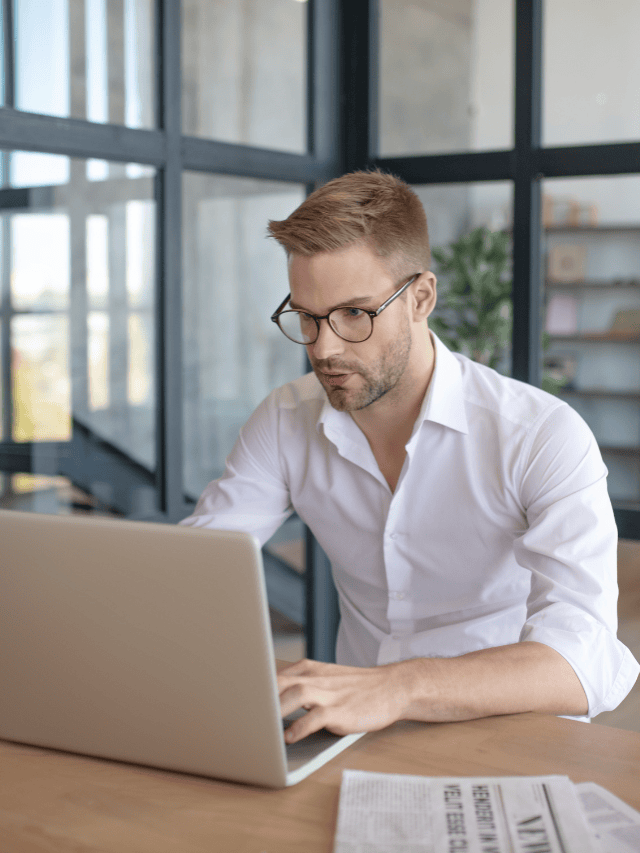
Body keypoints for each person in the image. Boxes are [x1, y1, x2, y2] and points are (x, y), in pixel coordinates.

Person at [181, 170, 639, 745]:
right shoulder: (285, 418)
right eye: (306, 317)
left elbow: (584, 661)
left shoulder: (540, 434)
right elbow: (194, 573)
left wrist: (397, 687)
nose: (323, 349)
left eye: (354, 314)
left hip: (510, 736)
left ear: (421, 297)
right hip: (355, 735)